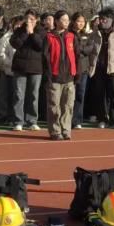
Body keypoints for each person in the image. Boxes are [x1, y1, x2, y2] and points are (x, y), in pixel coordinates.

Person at [44, 9, 78, 139]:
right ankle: (55, 131)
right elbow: (45, 57)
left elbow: (77, 55)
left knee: (68, 106)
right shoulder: (49, 37)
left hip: (69, 77)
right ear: (57, 21)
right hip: (54, 77)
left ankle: (66, 130)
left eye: (67, 20)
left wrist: (77, 74)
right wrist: (48, 75)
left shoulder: (71, 36)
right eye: (63, 20)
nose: (66, 22)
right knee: (54, 106)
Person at [9, 10, 45, 131]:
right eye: (27, 19)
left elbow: (41, 46)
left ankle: (32, 121)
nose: (29, 21)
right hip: (20, 67)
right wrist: (25, 33)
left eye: (32, 19)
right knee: (19, 94)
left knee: (33, 95)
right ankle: (18, 121)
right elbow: (15, 44)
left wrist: (32, 33)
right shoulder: (19, 30)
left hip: (36, 67)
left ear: (37, 20)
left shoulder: (41, 31)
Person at [71, 12, 100, 129]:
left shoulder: (88, 35)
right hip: (70, 68)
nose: (80, 23)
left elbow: (90, 48)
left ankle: (77, 120)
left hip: (83, 68)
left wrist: (79, 50)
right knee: (69, 95)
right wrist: (80, 50)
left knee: (80, 94)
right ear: (73, 21)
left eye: (82, 21)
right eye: (78, 21)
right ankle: (68, 118)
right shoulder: (69, 34)